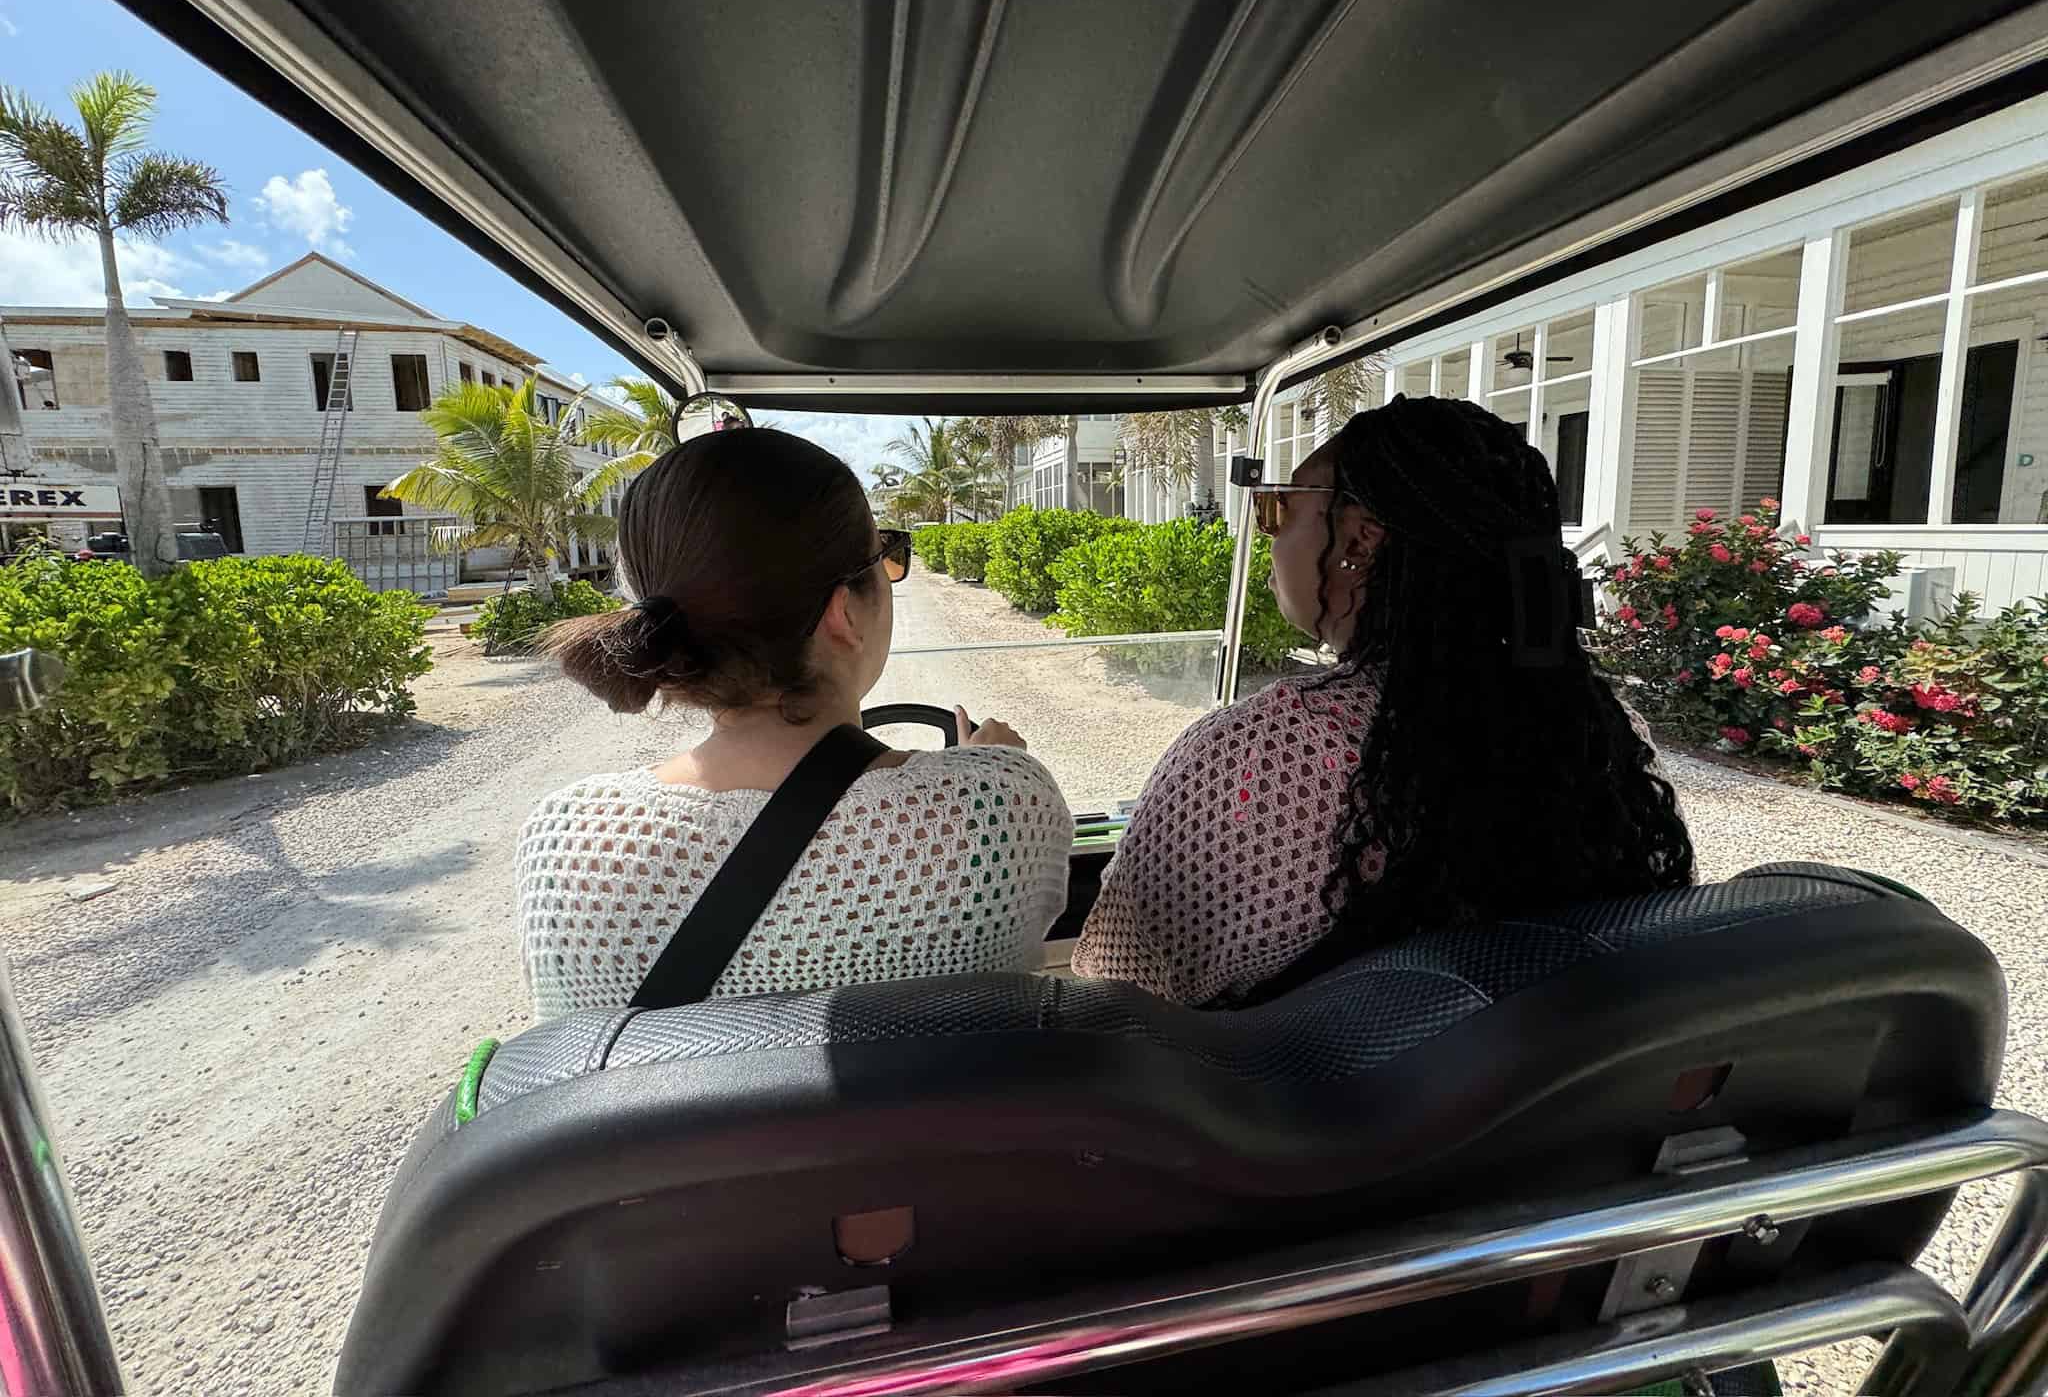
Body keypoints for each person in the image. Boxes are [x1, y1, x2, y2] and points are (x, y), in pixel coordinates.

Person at [1072, 395, 1694, 1007]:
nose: (1267, 535)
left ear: (1360, 543)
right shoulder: (1604, 735)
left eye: (1278, 510)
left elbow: (1116, 995)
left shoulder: (1268, 752)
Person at [517, 427, 1071, 1019]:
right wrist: (987, 767)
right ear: (843, 611)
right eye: (885, 553)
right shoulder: (1004, 801)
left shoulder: (564, 837)